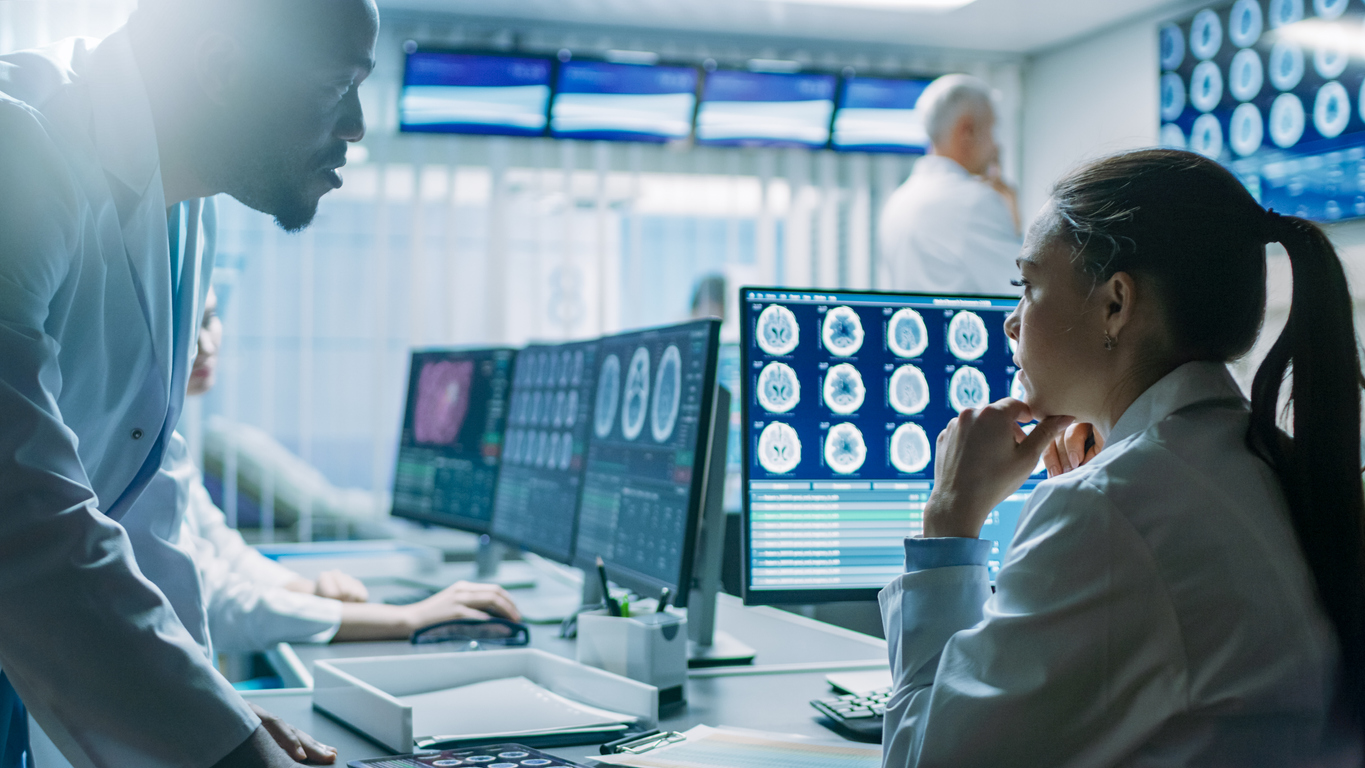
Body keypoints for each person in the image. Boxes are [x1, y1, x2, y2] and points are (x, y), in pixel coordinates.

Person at [878, 148, 1364, 766]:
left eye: (1026, 287)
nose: (1011, 322)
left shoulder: (1109, 510)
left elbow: (924, 758)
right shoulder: (1266, 462)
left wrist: (949, 522)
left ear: (1116, 304)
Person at [0, 0, 379, 766]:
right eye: (337, 86)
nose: (356, 126)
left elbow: (144, 512)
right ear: (218, 68)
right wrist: (228, 749)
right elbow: (19, 521)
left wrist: (215, 713)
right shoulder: (21, 146)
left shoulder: (186, 205)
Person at [176, 286, 522, 652]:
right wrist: (411, 619)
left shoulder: (168, 443)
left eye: (210, 320)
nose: (207, 345)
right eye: (186, 325)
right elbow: (213, 603)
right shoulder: (141, 454)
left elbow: (227, 555)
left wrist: (310, 592)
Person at [877, 73, 1021, 296]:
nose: (996, 146)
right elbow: (1021, 291)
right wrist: (1011, 209)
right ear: (968, 131)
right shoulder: (973, 202)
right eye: (992, 130)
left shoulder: (898, 200)